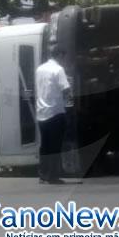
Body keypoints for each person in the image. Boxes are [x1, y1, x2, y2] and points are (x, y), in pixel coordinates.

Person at [35, 46, 71, 184]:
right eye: (64, 56)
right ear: (60, 55)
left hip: (41, 113)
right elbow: (66, 89)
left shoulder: (40, 69)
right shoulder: (58, 69)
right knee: (55, 145)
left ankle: (43, 174)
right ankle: (53, 175)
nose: (64, 60)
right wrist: (70, 101)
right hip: (55, 112)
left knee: (45, 145)